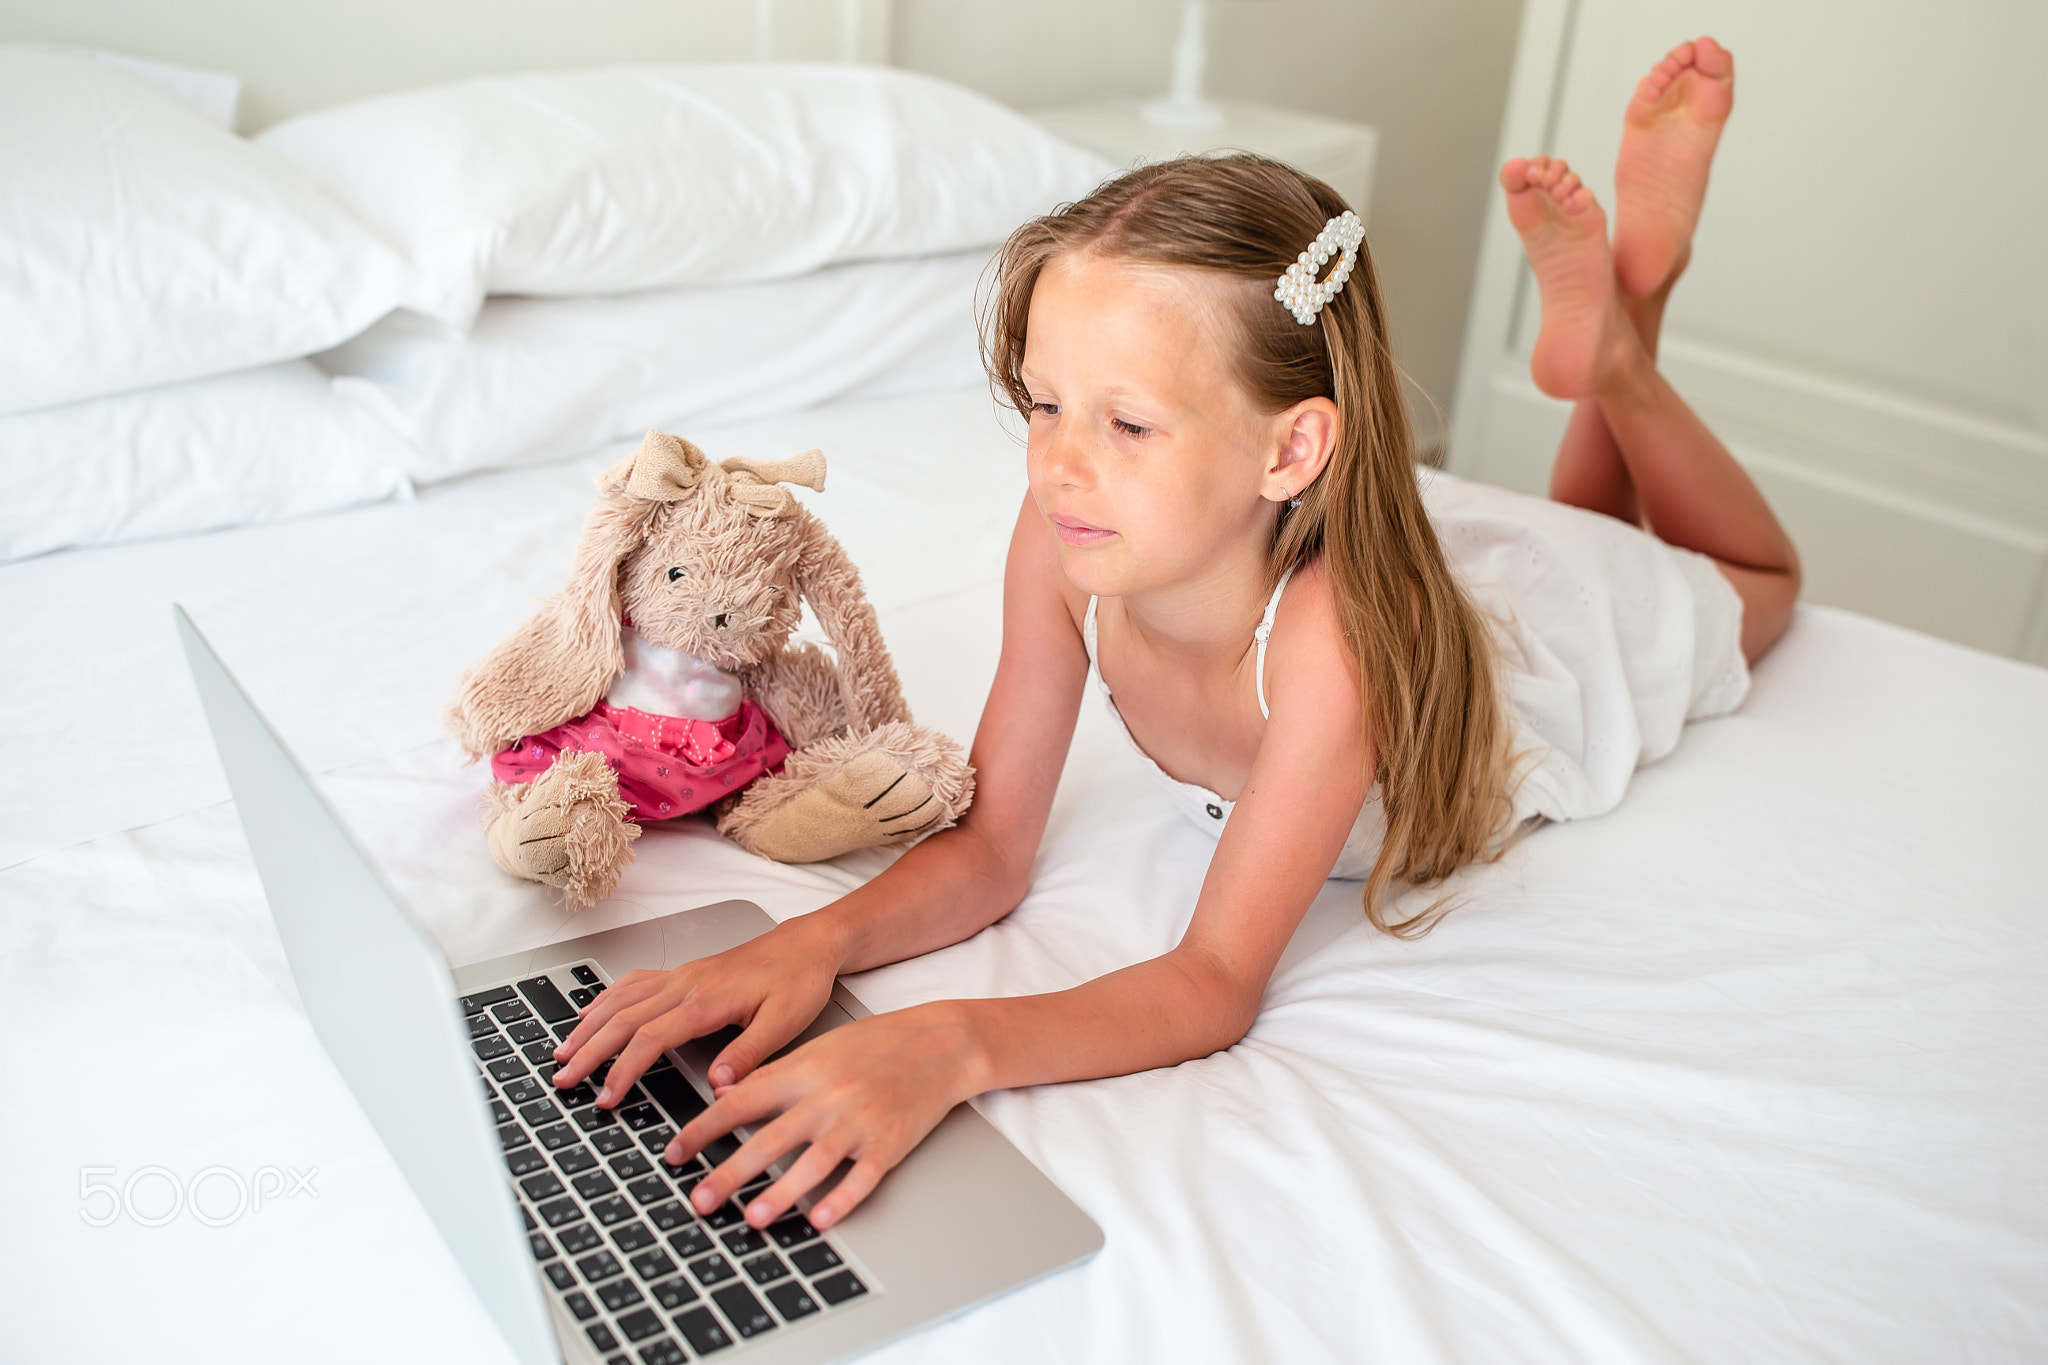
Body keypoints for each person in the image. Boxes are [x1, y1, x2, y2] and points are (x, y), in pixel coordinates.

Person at [548, 37, 1798, 1234]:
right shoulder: (1065, 544)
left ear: (1289, 449)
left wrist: (945, 1044)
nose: (1058, 466)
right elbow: (992, 849)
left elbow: (1212, 981)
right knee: (1585, 536)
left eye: (1128, 426)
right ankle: (1615, 330)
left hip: (1523, 681)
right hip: (1365, 580)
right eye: (1044, 404)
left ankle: (1625, 353)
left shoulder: (1339, 651)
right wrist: (808, 945)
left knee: (1744, 583)